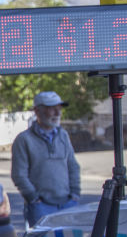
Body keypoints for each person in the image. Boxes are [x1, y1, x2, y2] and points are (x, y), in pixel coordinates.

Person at [11, 90, 81, 228]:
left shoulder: (63, 135)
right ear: (37, 111)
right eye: (52, 109)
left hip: (68, 203)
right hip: (41, 207)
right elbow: (19, 175)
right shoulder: (24, 139)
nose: (57, 113)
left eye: (59, 108)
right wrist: (33, 198)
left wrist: (75, 193)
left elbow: (72, 165)